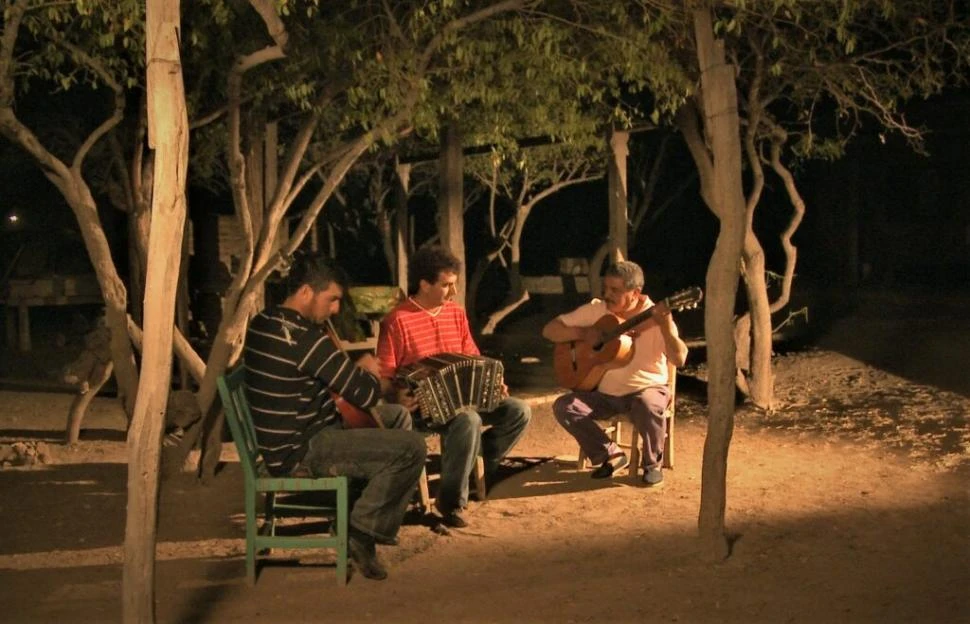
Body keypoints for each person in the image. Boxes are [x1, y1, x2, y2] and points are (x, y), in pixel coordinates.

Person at [244, 253, 426, 581]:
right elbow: (365, 393)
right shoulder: (305, 338)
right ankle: (362, 530)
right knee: (412, 447)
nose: (336, 310)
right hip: (302, 448)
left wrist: (360, 376)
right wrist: (367, 370)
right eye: (332, 299)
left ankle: (361, 508)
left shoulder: (264, 321)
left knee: (396, 417)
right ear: (305, 292)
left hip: (289, 434)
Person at [377, 245, 531, 528]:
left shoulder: (455, 314)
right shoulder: (397, 321)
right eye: (447, 285)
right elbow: (383, 375)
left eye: (455, 284)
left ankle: (471, 466)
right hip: (421, 407)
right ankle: (450, 504)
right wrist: (397, 394)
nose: (453, 291)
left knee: (519, 411)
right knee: (467, 420)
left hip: (464, 399)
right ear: (424, 284)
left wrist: (493, 382)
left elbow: (472, 356)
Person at [542, 260, 688, 486]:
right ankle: (610, 454)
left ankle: (652, 465)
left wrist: (667, 326)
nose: (606, 295)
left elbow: (679, 359)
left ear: (635, 293)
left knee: (648, 403)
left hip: (646, 390)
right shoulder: (599, 311)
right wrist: (584, 333)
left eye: (615, 290)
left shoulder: (656, 316)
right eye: (606, 288)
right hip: (605, 395)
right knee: (565, 406)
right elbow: (550, 330)